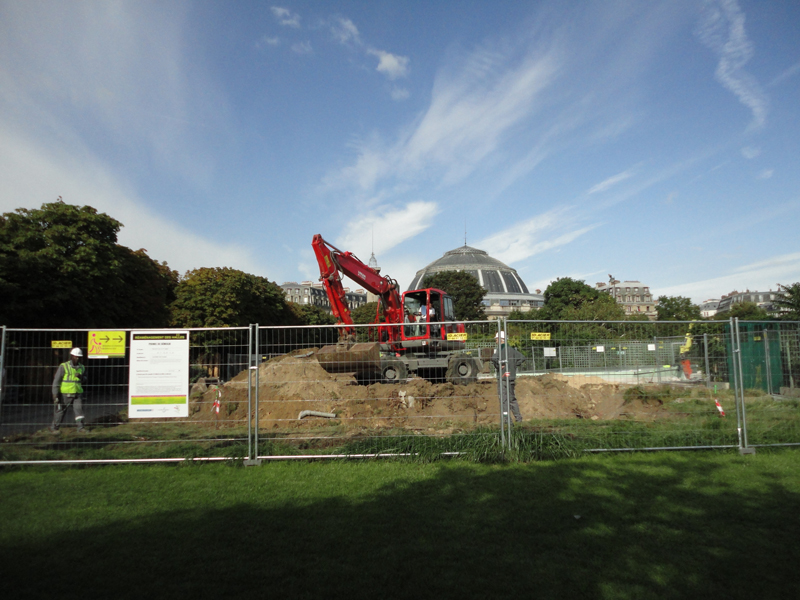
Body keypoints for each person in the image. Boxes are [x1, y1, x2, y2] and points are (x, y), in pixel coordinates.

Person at [50, 347, 88, 433]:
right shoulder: (64, 366)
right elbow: (56, 381)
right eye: (75, 356)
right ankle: (54, 428)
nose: (77, 358)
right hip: (65, 393)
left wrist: (81, 377)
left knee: (79, 410)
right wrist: (55, 394)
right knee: (60, 411)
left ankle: (80, 428)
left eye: (79, 357)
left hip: (77, 393)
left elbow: (85, 379)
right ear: (71, 356)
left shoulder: (82, 367)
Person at [490, 331, 525, 424]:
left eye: (497, 339)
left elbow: (493, 358)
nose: (496, 341)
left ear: (501, 339)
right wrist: (513, 365)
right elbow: (522, 358)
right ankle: (518, 419)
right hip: (511, 377)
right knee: (512, 398)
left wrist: (499, 365)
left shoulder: (500, 349)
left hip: (502, 377)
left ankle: (507, 420)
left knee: (503, 399)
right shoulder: (512, 350)